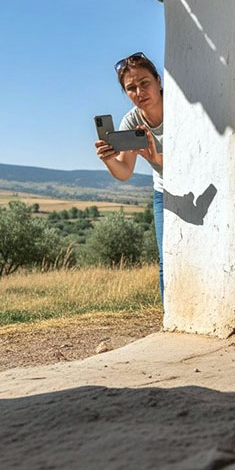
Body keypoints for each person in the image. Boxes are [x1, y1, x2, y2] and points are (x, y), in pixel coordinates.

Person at [95, 52, 166, 300]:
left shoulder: (180, 111)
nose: (139, 92)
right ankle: (171, 319)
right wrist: (108, 159)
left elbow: (198, 158)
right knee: (165, 261)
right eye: (131, 88)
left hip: (200, 190)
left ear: (158, 81)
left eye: (144, 83)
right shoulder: (132, 119)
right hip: (164, 193)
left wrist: (157, 160)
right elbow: (125, 172)